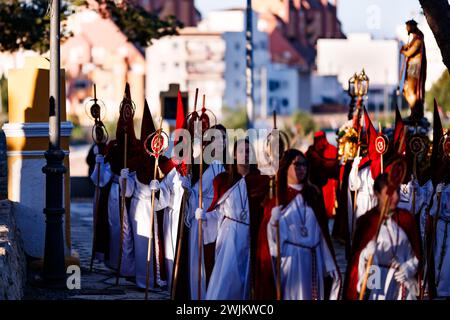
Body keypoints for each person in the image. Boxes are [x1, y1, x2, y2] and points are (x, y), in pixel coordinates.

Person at [258, 149, 341, 300]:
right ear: (286, 167)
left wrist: (329, 264)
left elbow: (323, 234)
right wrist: (272, 223)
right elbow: (267, 243)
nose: (302, 168)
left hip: (313, 260)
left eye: (304, 165)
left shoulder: (314, 194)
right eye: (297, 164)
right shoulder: (278, 198)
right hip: (291, 264)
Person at [203, 138, 270, 300]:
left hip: (251, 232)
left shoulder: (261, 181)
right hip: (230, 234)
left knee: (247, 275)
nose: (245, 155)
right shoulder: (223, 180)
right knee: (227, 274)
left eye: (248, 151)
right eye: (241, 151)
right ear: (234, 155)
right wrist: (203, 217)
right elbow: (216, 212)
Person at [91, 84, 141, 277]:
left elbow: (142, 171)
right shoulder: (112, 146)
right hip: (113, 192)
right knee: (114, 228)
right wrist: (100, 161)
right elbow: (100, 179)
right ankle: (114, 262)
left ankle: (128, 266)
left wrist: (129, 176)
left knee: (128, 232)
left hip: (131, 194)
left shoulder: (136, 148)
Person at [345, 173, 421, 300]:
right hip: (376, 280)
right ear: (377, 193)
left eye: (397, 191)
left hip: (401, 285)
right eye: (389, 193)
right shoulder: (367, 221)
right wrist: (366, 254)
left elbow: (417, 254)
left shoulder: (406, 219)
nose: (396, 197)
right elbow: (357, 262)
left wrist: (408, 268)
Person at [185, 124, 226, 299]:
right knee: (198, 265)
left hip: (216, 220)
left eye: (224, 138)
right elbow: (191, 193)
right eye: (217, 138)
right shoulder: (198, 165)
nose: (221, 142)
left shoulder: (226, 167)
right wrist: (186, 191)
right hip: (198, 218)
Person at [400, 19, 427, 121]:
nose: (406, 29)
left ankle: (416, 112)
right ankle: (413, 111)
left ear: (412, 27)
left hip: (415, 68)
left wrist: (403, 51)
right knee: (406, 90)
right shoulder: (414, 39)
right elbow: (409, 47)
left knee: (410, 90)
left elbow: (409, 53)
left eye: (408, 26)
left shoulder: (418, 39)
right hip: (411, 67)